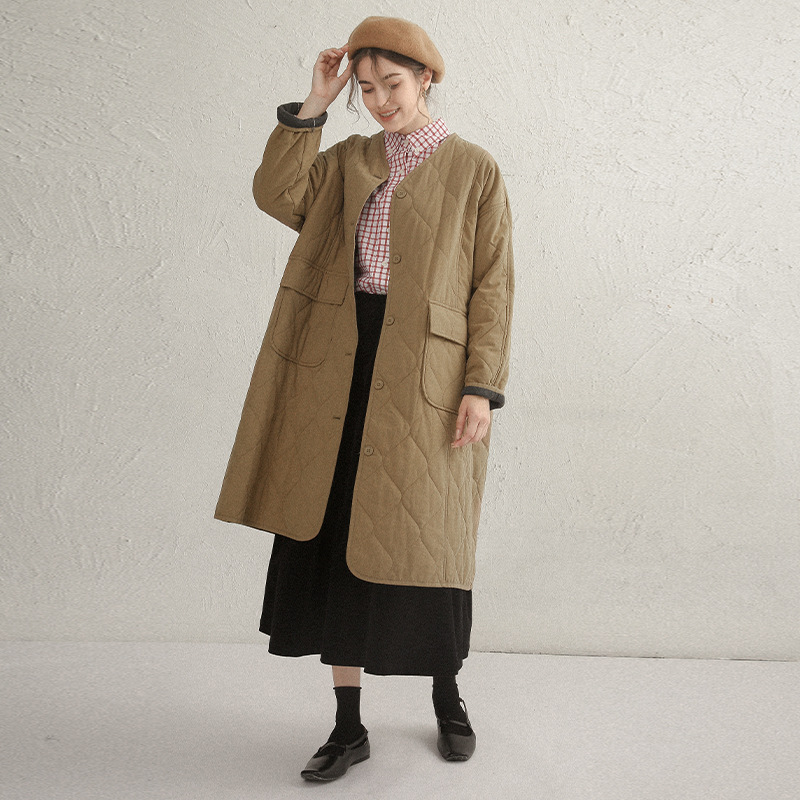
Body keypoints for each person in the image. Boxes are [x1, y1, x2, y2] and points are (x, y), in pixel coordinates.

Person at [213, 15, 514, 782]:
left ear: (426, 80)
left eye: (393, 85)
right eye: (367, 89)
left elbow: (492, 285)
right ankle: (348, 726)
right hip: (338, 365)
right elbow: (277, 193)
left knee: (428, 540)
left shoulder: (474, 169)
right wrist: (316, 103)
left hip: (428, 376)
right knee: (332, 534)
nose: (380, 101)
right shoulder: (348, 160)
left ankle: (446, 696)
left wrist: (481, 385)